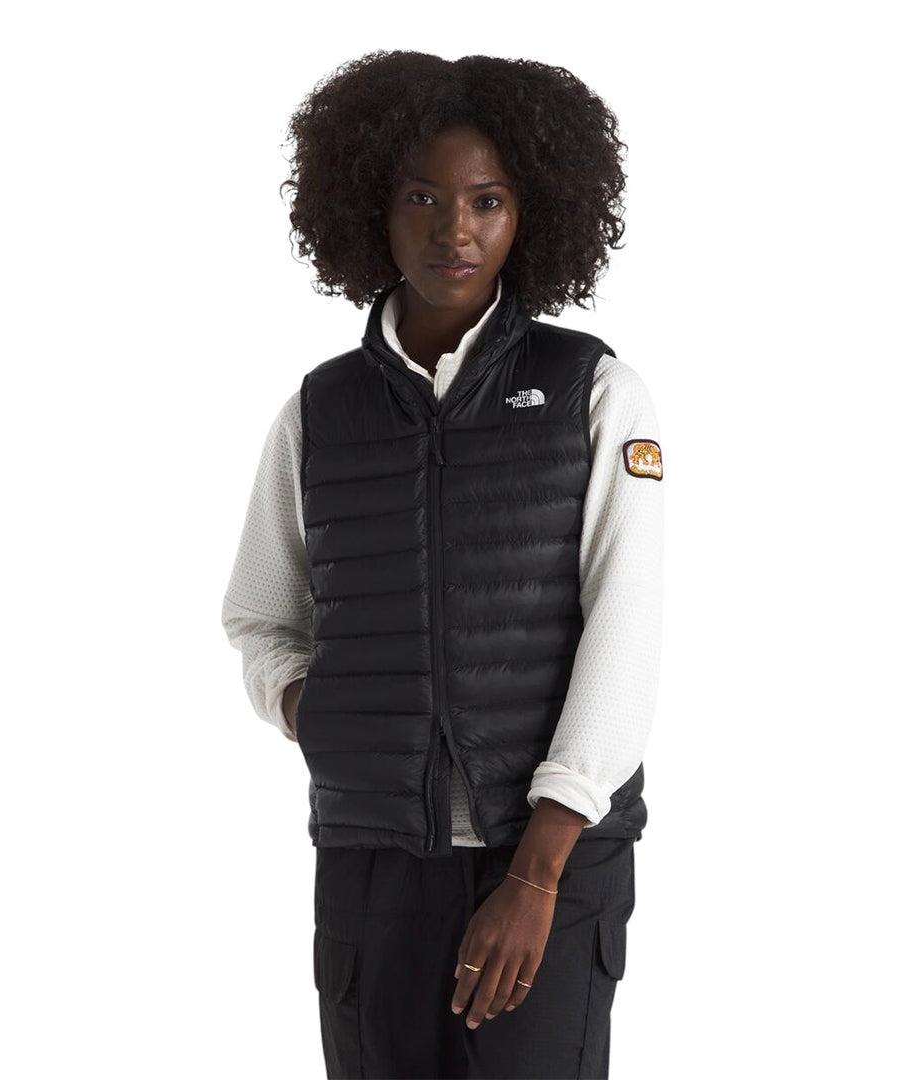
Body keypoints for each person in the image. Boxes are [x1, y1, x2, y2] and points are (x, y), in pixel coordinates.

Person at [221, 50, 664, 1080]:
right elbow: (260, 614)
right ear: (372, 208)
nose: (452, 229)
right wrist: (319, 714)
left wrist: (538, 873)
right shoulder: (320, 412)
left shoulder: (593, 392)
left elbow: (626, 629)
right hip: (371, 865)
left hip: (548, 857)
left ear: (530, 212)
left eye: (486, 201)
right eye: (422, 197)